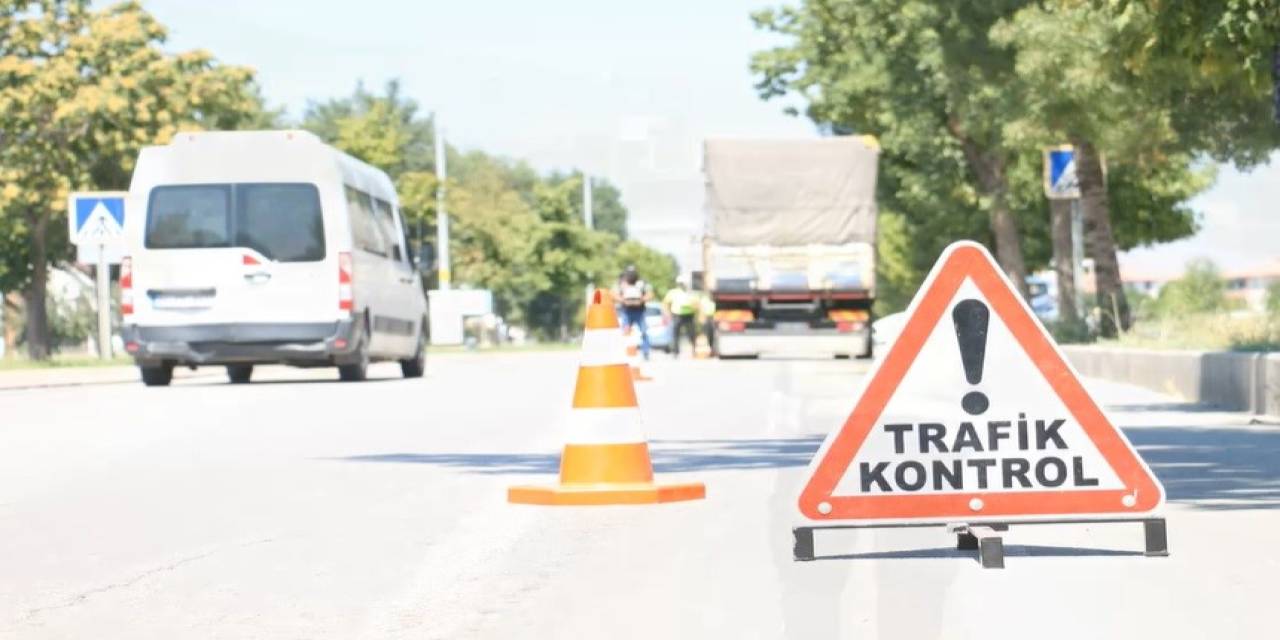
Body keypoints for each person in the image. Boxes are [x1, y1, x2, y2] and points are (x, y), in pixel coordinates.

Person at [613, 265, 654, 360]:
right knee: (625, 331)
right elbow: (614, 294)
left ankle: (646, 352)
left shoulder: (642, 283)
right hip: (627, 311)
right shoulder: (621, 283)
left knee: (644, 332)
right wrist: (623, 300)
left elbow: (650, 294)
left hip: (639, 311)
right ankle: (623, 351)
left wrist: (641, 300)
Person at [662, 274, 699, 358]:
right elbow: (665, 303)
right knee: (675, 334)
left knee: (691, 334)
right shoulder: (673, 292)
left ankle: (694, 350)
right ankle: (675, 352)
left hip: (689, 315)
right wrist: (667, 313)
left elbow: (697, 305)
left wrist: (694, 308)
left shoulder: (691, 293)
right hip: (677, 315)